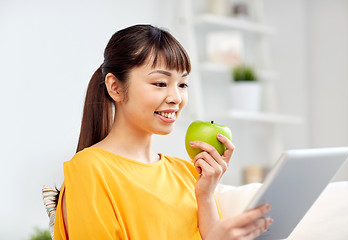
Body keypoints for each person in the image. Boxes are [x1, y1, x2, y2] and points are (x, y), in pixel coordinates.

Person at [54, 24, 273, 240]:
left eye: (183, 85)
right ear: (115, 88)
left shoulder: (188, 174)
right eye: (160, 83)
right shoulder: (89, 169)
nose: (176, 98)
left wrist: (206, 195)